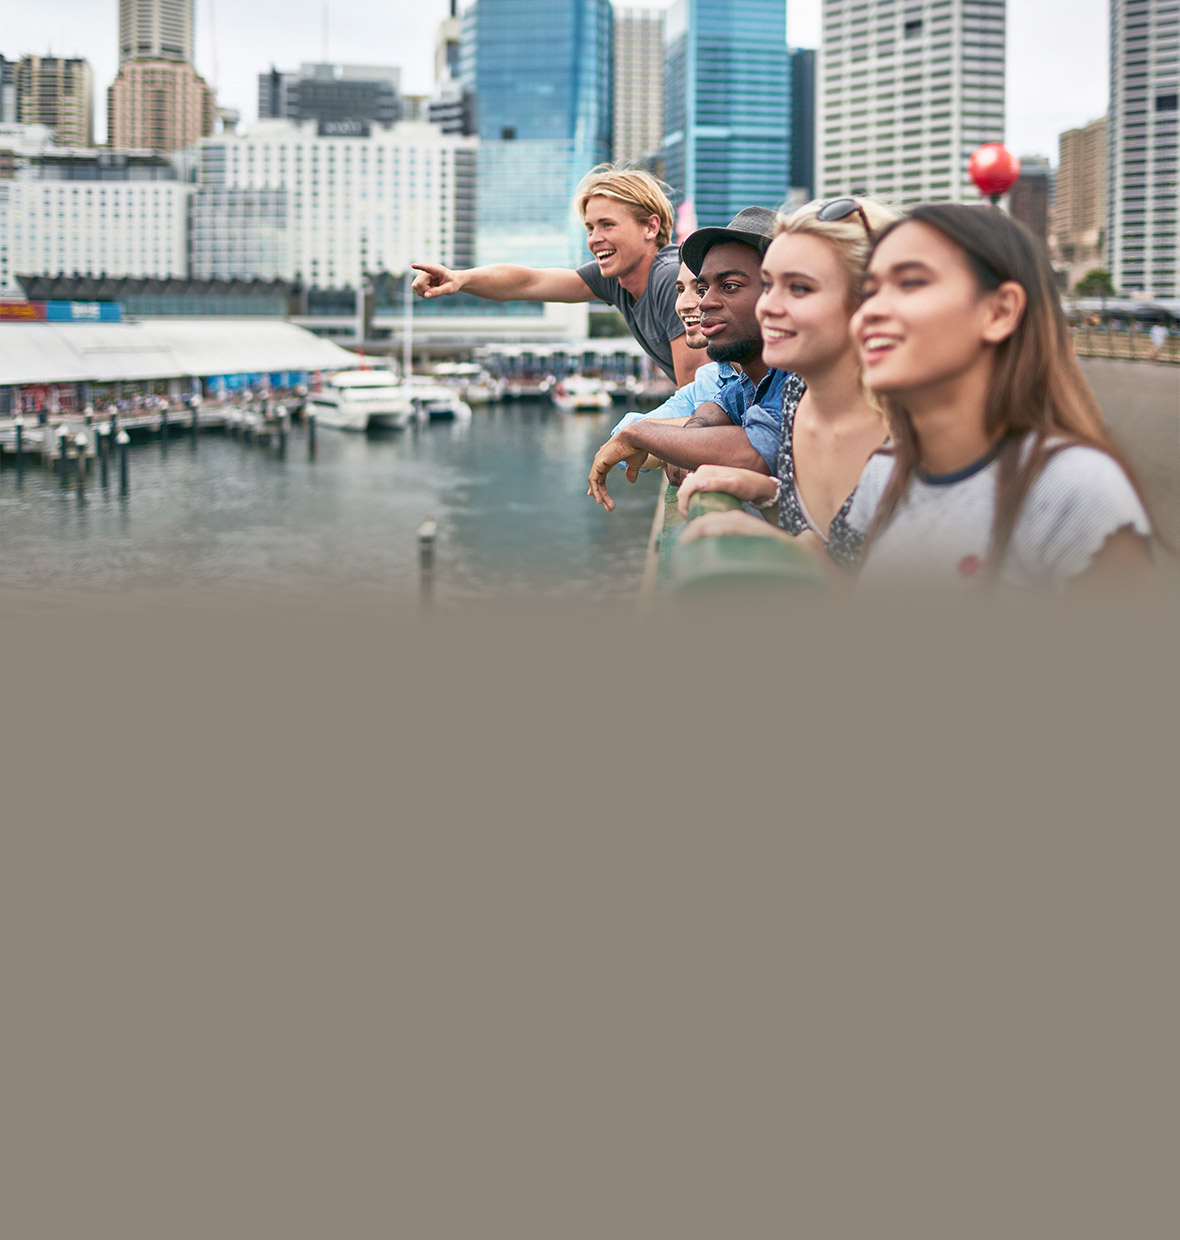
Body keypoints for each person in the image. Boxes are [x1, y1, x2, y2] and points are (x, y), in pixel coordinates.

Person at [842, 203, 1154, 591]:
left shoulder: (1074, 486)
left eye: (911, 282)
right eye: (868, 291)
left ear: (1000, 311)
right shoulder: (882, 473)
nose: (869, 311)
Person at [675, 197, 898, 568]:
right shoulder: (800, 394)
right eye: (770, 284)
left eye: (799, 288)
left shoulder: (911, 428)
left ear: (869, 299)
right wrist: (766, 495)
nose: (769, 307)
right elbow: (837, 546)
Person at [411, 165, 703, 386]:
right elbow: (527, 282)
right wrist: (460, 279)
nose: (594, 239)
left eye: (607, 225)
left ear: (650, 227)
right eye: (590, 228)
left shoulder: (669, 278)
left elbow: (697, 387)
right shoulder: (614, 281)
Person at [587, 207, 786, 510]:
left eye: (729, 286)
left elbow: (755, 449)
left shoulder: (796, 375)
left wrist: (642, 434)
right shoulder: (749, 380)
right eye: (702, 288)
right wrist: (691, 435)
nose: (703, 302)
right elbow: (716, 408)